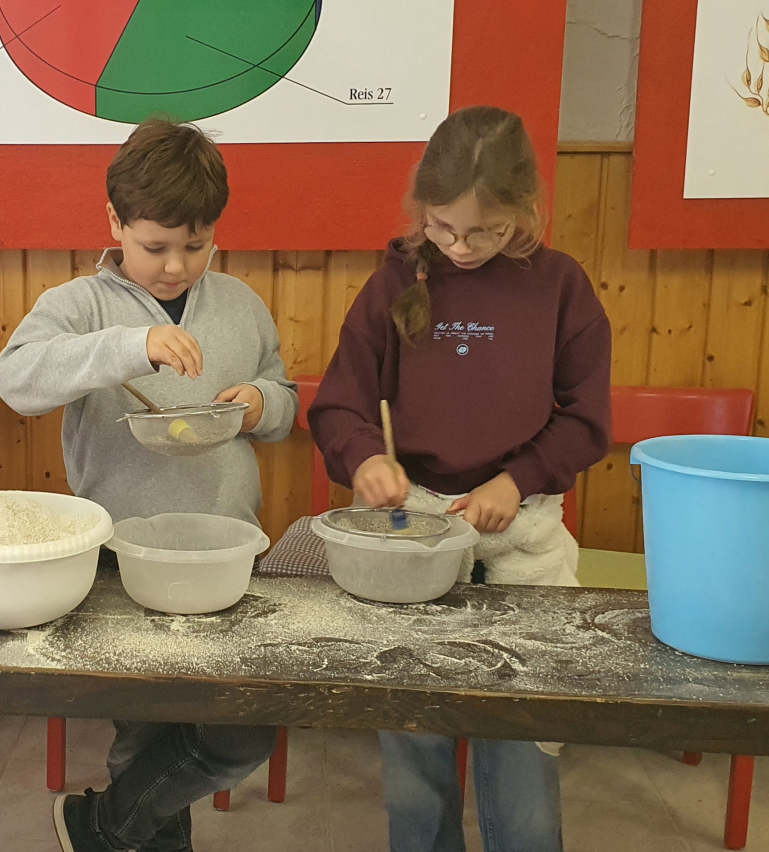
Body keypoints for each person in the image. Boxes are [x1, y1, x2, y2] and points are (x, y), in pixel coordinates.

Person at [309, 105, 613, 852]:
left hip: (521, 540)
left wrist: (518, 480)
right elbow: (339, 405)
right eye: (443, 227)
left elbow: (586, 420)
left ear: (525, 212)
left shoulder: (560, 287)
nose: (460, 247)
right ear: (423, 209)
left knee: (524, 766)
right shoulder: (393, 282)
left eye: (486, 231)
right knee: (415, 765)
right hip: (412, 540)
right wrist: (366, 458)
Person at [0, 117, 298, 852]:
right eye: (155, 246)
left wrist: (261, 403)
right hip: (121, 559)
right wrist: (133, 346)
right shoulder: (80, 305)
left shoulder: (241, 304)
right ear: (115, 223)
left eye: (195, 246)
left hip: (227, 554)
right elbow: (17, 381)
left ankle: (98, 826)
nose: (175, 267)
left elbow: (283, 399)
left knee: (243, 731)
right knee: (144, 735)